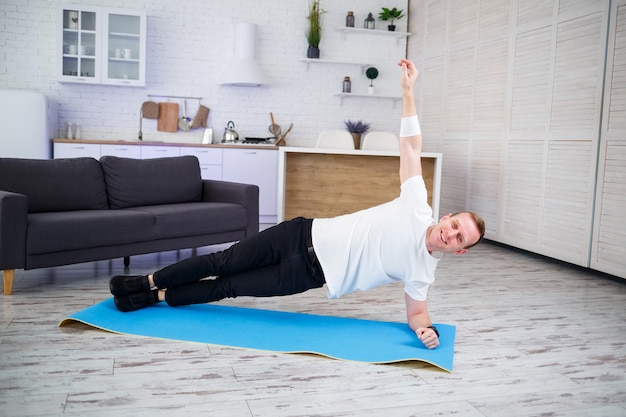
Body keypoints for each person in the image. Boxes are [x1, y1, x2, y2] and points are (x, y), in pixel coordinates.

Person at [109, 59, 485, 350]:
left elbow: (417, 312)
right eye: (455, 225)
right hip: (300, 233)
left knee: (227, 287)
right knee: (218, 262)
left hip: (306, 276)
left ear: (460, 252)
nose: (450, 234)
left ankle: (154, 297)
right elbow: (411, 147)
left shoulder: (423, 271)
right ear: (448, 216)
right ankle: (144, 280)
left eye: (459, 239)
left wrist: (426, 330)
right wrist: (407, 92)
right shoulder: (417, 204)